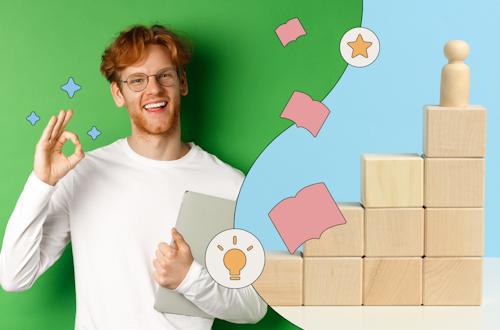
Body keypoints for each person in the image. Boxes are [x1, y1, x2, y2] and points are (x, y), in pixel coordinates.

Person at [0, 24, 267, 329]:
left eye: (164, 75)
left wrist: (190, 278)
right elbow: (14, 277)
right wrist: (41, 183)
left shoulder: (230, 185)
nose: (153, 89)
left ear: (182, 82)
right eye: (137, 80)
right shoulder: (83, 173)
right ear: (118, 92)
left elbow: (254, 307)